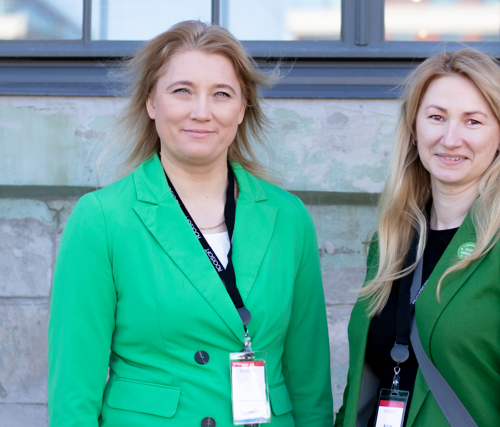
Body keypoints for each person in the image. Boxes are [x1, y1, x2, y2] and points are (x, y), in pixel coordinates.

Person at [48, 20, 333, 427]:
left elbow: (310, 386)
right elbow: (73, 397)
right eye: (182, 91)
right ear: (151, 102)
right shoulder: (102, 220)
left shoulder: (288, 219)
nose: (201, 112)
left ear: (242, 108)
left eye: (221, 94)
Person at [335, 48, 500, 427]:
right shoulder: (389, 241)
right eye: (436, 117)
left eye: (473, 121)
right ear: (414, 130)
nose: (451, 139)